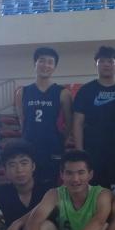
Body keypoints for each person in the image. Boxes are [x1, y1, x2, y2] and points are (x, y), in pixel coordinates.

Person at [72, 45, 115, 190]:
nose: (106, 65)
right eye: (102, 61)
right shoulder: (85, 91)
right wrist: (80, 152)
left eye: (110, 61)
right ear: (96, 64)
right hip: (93, 152)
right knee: (94, 194)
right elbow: (77, 123)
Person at [14, 46, 72, 183]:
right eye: (42, 60)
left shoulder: (63, 93)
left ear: (54, 67)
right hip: (29, 145)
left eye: (50, 62)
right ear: (35, 63)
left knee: (51, 185)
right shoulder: (22, 92)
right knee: (29, 184)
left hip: (53, 146)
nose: (45, 65)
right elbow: (22, 121)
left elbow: (69, 124)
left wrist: (60, 140)